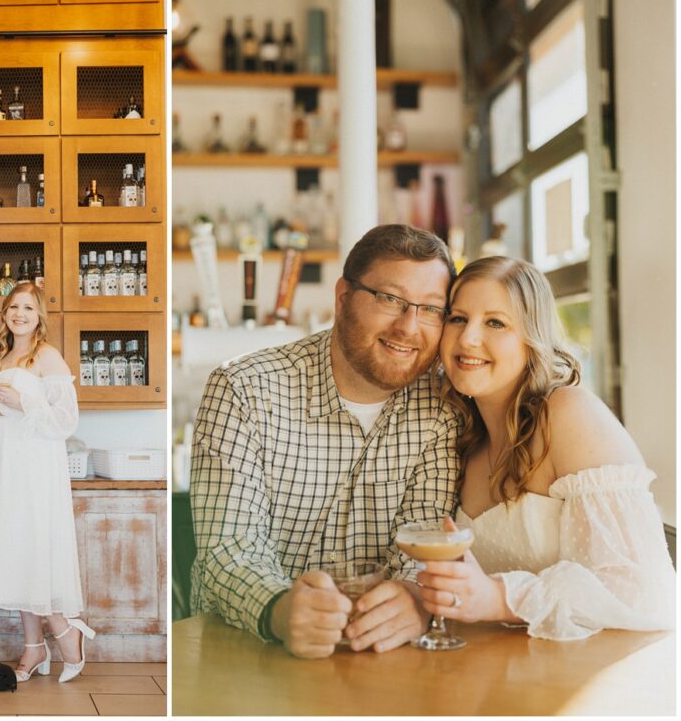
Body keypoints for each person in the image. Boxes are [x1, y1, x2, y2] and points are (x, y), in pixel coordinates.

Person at [190, 224, 462, 658]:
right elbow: (229, 551)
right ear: (342, 298)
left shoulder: (443, 404)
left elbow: (426, 537)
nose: (409, 327)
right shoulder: (244, 388)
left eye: (431, 309)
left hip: (385, 657)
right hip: (247, 650)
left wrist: (414, 597)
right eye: (390, 299)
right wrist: (280, 611)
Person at [417, 256, 675, 639]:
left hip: (597, 677)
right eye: (457, 318)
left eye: (495, 322)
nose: (468, 338)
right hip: (502, 675)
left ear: (531, 338)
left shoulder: (567, 413)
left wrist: (500, 597)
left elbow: (646, 592)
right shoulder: (464, 439)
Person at [0, 282, 95, 683]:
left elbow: (66, 421)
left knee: (35, 547)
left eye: (28, 308)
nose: (20, 314)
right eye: (13, 306)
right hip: (3, 465)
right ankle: (34, 646)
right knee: (16, 550)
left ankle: (66, 632)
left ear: (39, 317)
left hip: (35, 467)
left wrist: (24, 403)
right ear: (4, 314)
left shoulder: (47, 357)